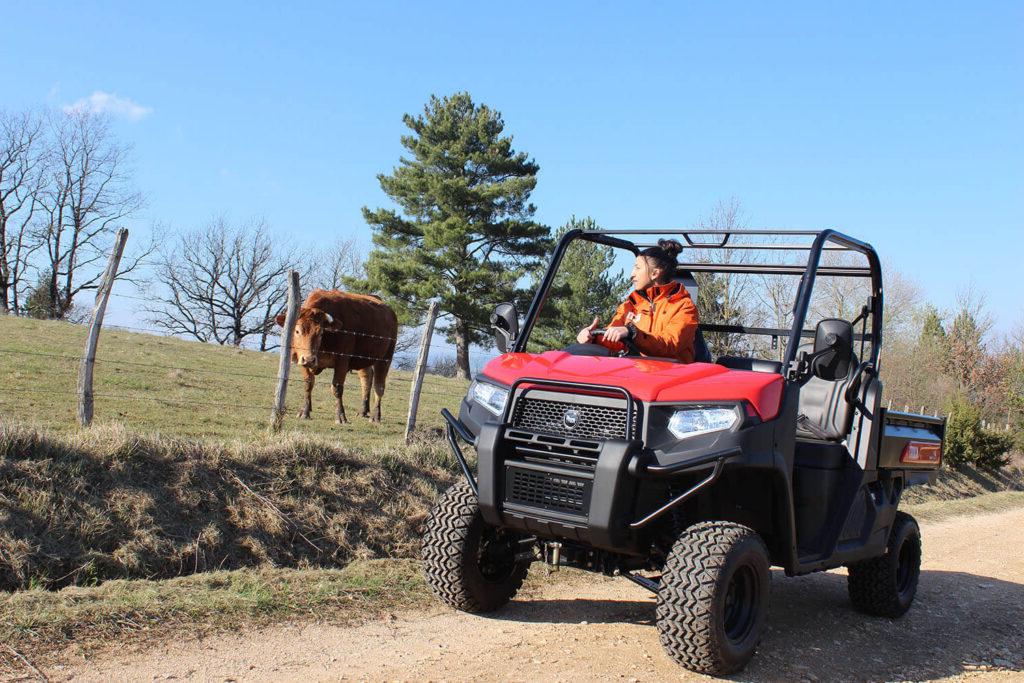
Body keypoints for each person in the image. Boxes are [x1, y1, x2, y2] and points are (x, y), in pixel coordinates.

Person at [576, 239, 700, 363]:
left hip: (671, 375)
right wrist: (592, 338)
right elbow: (615, 341)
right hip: (635, 372)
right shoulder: (631, 305)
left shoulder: (684, 306)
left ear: (654, 274)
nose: (632, 275)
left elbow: (669, 345)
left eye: (637, 268)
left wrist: (632, 333)